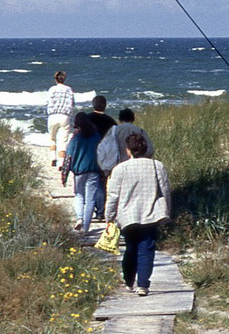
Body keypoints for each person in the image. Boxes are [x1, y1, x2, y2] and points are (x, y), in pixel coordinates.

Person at [106, 132, 170, 296]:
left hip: (127, 215)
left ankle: (129, 281)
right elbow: (165, 192)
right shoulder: (157, 166)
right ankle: (143, 285)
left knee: (130, 249)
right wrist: (167, 211)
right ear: (145, 148)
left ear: (128, 150)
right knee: (147, 249)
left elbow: (113, 196)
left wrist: (109, 217)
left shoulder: (120, 169)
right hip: (151, 213)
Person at [61, 112, 103, 234]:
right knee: (90, 199)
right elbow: (101, 153)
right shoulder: (96, 136)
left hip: (79, 171)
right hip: (94, 171)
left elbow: (68, 157)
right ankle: (86, 227)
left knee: (79, 195)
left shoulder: (76, 138)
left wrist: (64, 175)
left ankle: (79, 218)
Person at [88, 96, 116, 219]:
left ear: (93, 105)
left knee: (90, 184)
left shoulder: (87, 119)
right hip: (105, 155)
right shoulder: (111, 122)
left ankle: (89, 211)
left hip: (89, 153)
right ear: (105, 106)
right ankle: (100, 213)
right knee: (102, 184)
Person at [45, 71, 75, 168]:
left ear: (55, 79)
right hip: (64, 116)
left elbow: (48, 101)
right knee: (63, 141)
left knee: (52, 138)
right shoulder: (69, 89)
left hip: (53, 115)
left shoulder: (52, 89)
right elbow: (72, 103)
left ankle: (53, 157)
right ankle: (61, 162)